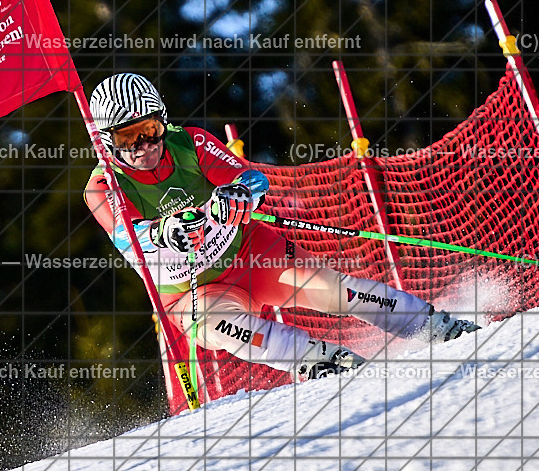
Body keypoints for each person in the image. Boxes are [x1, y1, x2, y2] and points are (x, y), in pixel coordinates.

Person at [83, 73, 479, 380]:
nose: (144, 146)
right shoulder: (103, 186)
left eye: (149, 131)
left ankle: (431, 325)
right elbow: (128, 240)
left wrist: (235, 195)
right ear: (105, 141)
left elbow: (253, 180)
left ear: (161, 123)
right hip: (191, 290)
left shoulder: (190, 143)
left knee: (333, 290)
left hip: (252, 253)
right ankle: (314, 360)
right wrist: (163, 232)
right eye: (127, 137)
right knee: (218, 325)